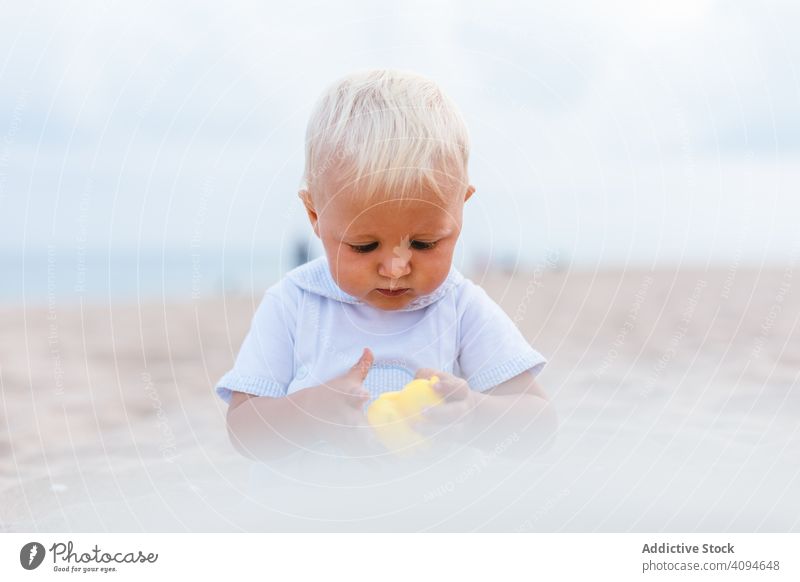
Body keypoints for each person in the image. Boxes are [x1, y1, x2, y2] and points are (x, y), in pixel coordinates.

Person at [218, 69, 557, 464]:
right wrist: (311, 412)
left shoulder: (460, 307)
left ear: (461, 206)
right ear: (314, 214)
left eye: (424, 243)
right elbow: (243, 430)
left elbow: (539, 424)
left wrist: (474, 414)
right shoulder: (294, 303)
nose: (396, 268)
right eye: (364, 246)